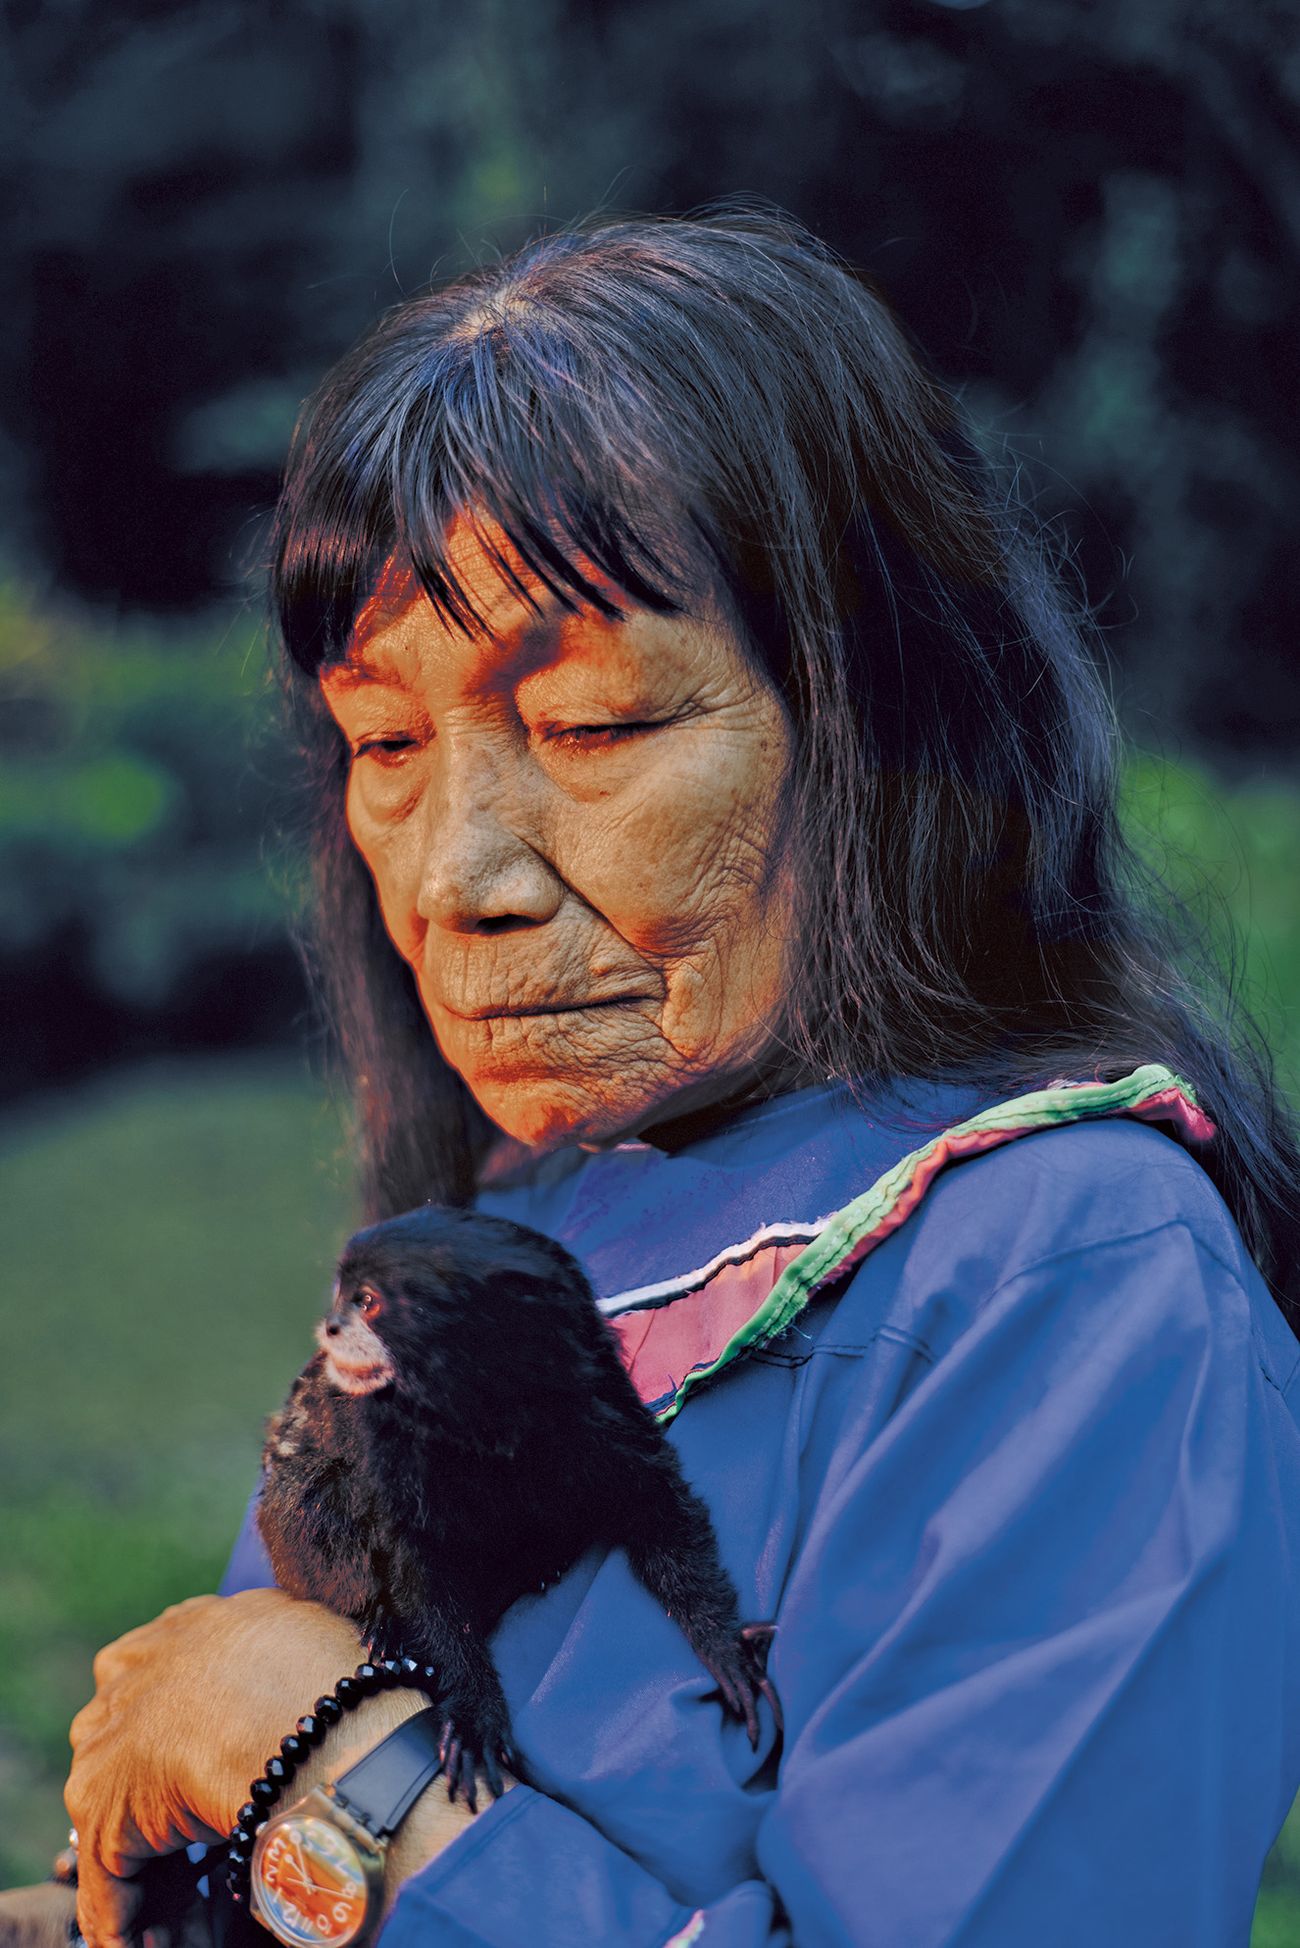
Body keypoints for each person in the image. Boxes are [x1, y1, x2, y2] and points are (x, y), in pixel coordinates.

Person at [20, 207, 1300, 1948]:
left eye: (594, 725)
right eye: (384, 741)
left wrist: (315, 1755)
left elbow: (295, 1752)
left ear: (887, 727)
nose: (456, 873)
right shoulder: (509, 1228)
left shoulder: (1066, 1276)